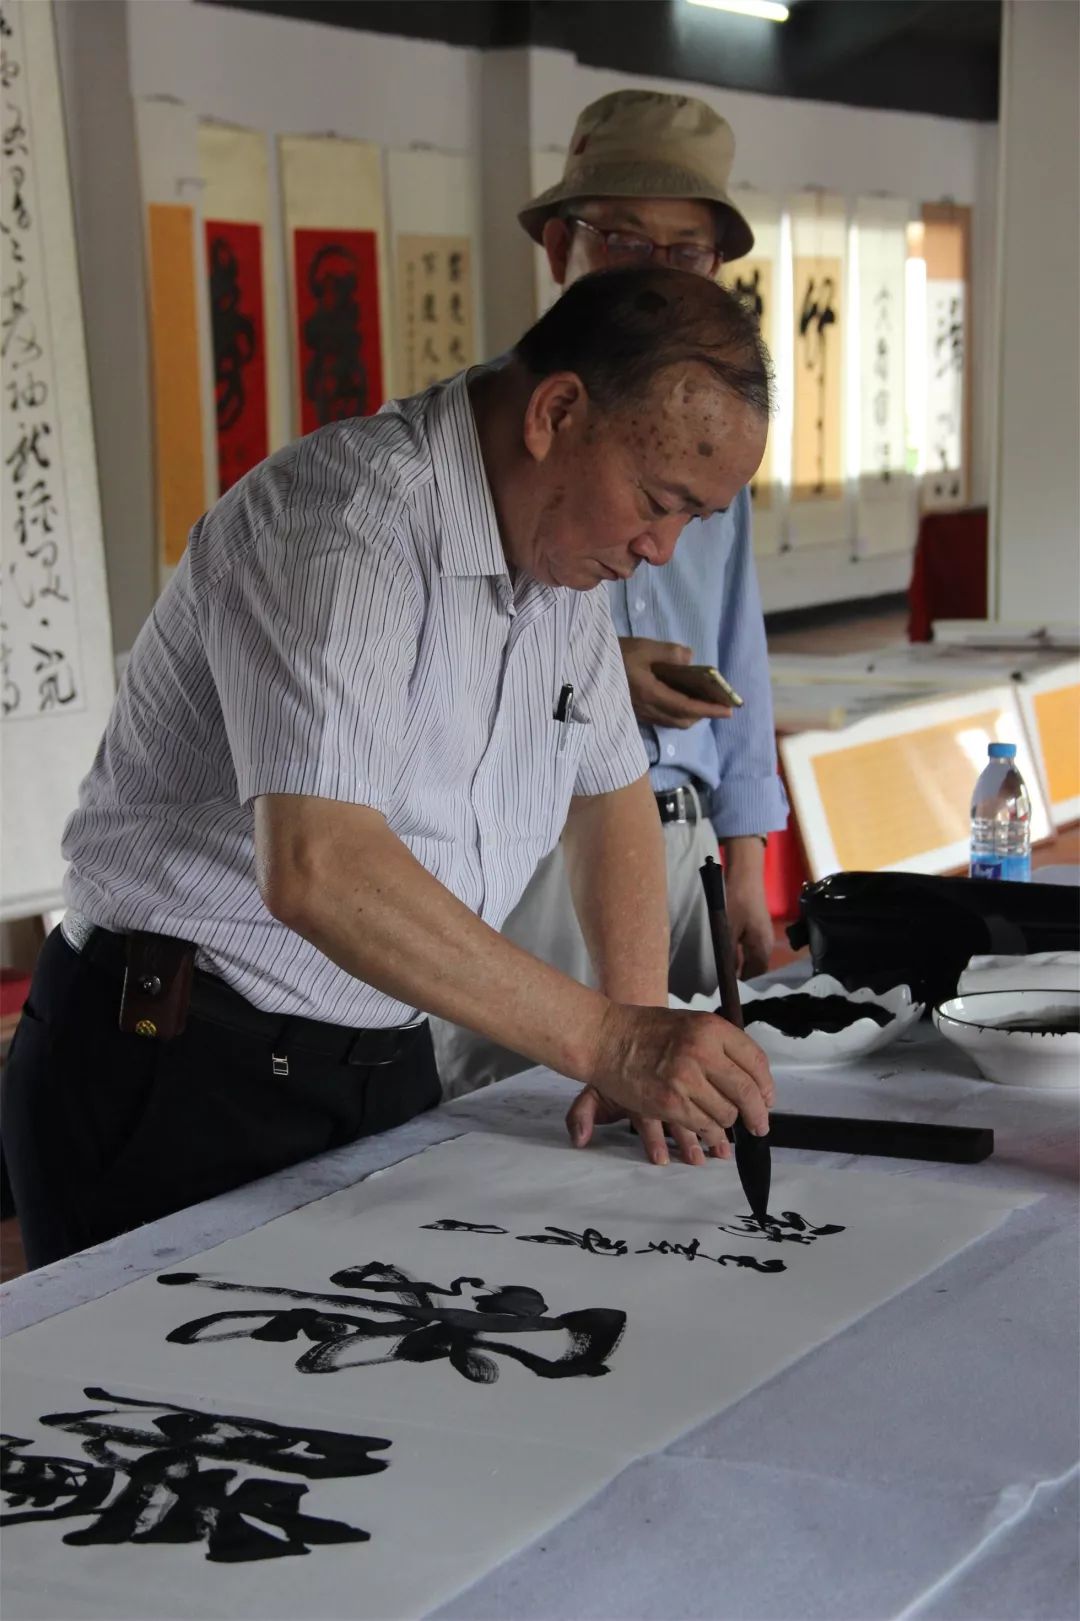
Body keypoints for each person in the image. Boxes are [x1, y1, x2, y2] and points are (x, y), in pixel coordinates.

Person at [2, 266, 775, 1272]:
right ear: (557, 413)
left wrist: (637, 1022)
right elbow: (319, 866)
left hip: (384, 1056)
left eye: (691, 521)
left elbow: (607, 786)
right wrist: (612, 1041)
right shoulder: (344, 522)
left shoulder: (556, 563)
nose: (660, 550)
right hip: (183, 1069)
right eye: (659, 503)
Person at [433, 89, 788, 1103]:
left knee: (685, 1115)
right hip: (535, 843)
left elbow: (740, 650)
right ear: (561, 248)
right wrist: (588, 675)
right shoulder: (500, 432)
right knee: (512, 1117)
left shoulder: (714, 440)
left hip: (678, 839)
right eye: (626, 239)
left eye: (685, 251)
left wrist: (744, 856)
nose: (654, 274)